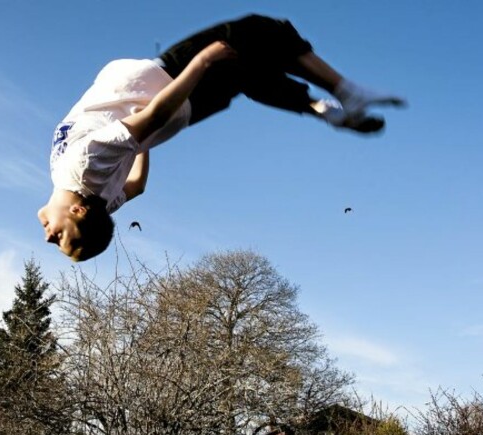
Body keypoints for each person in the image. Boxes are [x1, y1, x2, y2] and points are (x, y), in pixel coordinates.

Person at [38, 14, 406, 262]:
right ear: (77, 212)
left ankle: (323, 110)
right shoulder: (82, 165)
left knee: (246, 74)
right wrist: (199, 66)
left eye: (57, 240)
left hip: (182, 112)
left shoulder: (101, 203)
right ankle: (345, 90)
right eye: (60, 238)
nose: (47, 238)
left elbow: (136, 187)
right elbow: (151, 117)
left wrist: (139, 142)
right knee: (253, 33)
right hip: (168, 85)